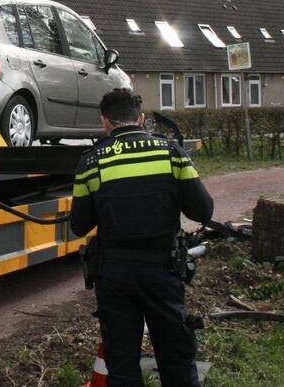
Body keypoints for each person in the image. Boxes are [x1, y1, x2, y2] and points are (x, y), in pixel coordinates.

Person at [71, 88, 214, 387]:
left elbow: (79, 225)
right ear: (142, 119)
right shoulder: (171, 153)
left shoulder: (91, 162)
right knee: (176, 357)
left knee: (121, 363)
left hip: (115, 275)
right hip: (163, 270)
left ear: (105, 122)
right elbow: (203, 210)